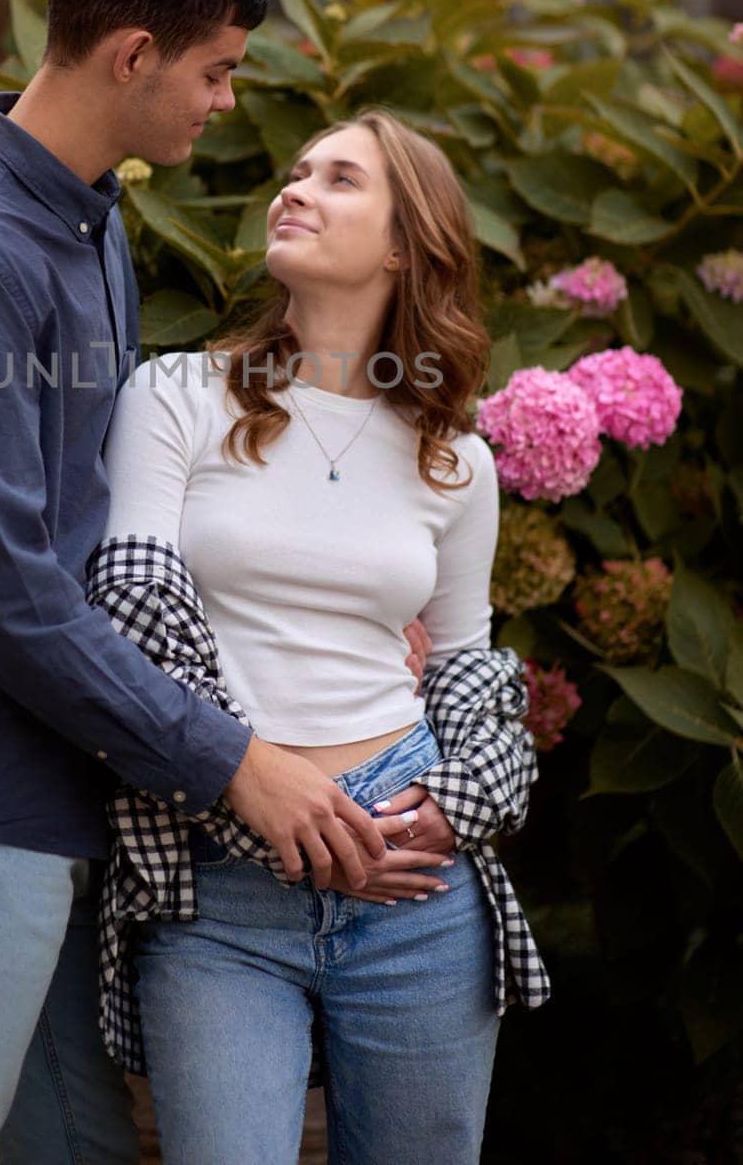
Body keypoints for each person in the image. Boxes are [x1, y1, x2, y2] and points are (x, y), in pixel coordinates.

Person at [0, 0, 405, 1165]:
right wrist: (231, 757)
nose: (227, 100)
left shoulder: (88, 226)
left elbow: (118, 522)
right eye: (218, 69)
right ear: (134, 54)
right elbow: (3, 592)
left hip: (56, 793)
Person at [94, 109, 550, 1165]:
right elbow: (131, 621)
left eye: (339, 178)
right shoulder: (176, 396)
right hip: (219, 874)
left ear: (404, 243)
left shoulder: (456, 460)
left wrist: (460, 800)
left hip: (412, 876)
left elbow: (472, 669)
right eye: (296, 172)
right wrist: (262, 801)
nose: (295, 188)